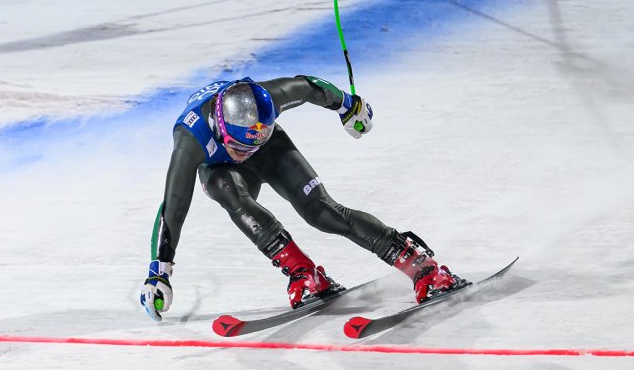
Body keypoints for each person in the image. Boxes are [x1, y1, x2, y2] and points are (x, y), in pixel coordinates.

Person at [140, 76, 467, 321]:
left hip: (272, 148)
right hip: (221, 168)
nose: (246, 154)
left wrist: (349, 105)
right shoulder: (190, 138)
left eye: (251, 145)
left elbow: (307, 86)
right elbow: (174, 204)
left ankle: (421, 266)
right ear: (219, 128)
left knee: (323, 213)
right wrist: (160, 270)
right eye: (240, 148)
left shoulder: (267, 98)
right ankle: (303, 273)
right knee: (227, 190)